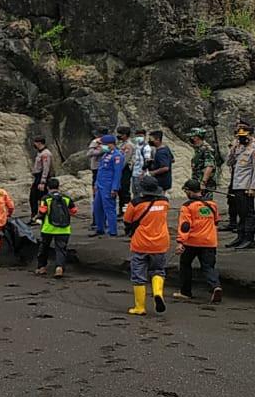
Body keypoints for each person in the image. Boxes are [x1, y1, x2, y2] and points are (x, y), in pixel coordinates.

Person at [122, 175, 170, 316]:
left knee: (138, 275)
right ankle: (157, 293)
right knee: (158, 271)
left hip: (141, 243)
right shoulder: (164, 202)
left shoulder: (135, 203)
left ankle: (140, 307)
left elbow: (127, 220)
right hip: (160, 242)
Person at [174, 179, 223, 304]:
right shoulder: (212, 205)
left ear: (189, 191)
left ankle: (185, 292)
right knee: (208, 267)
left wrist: (180, 242)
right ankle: (215, 286)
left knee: (185, 265)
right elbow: (216, 221)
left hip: (192, 242)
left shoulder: (187, 206)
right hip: (209, 241)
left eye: (186, 191)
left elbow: (185, 226)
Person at [228, 127, 255, 249]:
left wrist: (253, 187)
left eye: (243, 136)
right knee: (240, 212)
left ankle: (249, 238)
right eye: (239, 136)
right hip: (237, 185)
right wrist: (232, 150)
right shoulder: (239, 148)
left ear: (250, 135)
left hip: (246, 186)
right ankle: (240, 236)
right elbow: (229, 163)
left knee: (248, 213)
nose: (241, 138)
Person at [34, 177, 77, 278]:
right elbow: (74, 210)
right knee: (61, 249)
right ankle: (59, 268)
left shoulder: (46, 198)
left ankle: (42, 267)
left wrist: (36, 218)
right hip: (64, 229)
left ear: (48, 187)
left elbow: (42, 211)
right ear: (58, 187)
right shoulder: (66, 198)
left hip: (48, 228)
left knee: (44, 248)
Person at [91, 134, 125, 237]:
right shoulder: (105, 154)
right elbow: (100, 170)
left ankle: (112, 230)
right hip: (100, 185)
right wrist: (96, 184)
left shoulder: (117, 156)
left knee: (109, 208)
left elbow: (117, 173)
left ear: (110, 144)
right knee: (97, 207)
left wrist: (114, 188)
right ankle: (100, 228)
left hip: (108, 185)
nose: (100, 146)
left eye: (102, 144)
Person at [187, 128, 221, 196]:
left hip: (204, 185)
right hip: (197, 182)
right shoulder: (199, 149)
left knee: (205, 203)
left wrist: (203, 183)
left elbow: (209, 166)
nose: (191, 138)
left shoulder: (206, 149)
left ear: (196, 137)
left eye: (192, 136)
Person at [29, 136, 54, 222]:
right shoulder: (40, 153)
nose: (34, 144)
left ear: (39, 143)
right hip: (38, 177)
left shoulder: (45, 154)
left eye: (35, 142)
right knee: (34, 198)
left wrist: (42, 181)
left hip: (42, 177)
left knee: (40, 198)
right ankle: (36, 216)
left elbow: (46, 168)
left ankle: (40, 217)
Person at [146, 130, 174, 194]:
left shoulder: (161, 152)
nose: (150, 141)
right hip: (165, 181)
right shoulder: (166, 148)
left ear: (157, 139)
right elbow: (172, 160)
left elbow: (165, 168)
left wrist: (153, 172)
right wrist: (155, 161)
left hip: (161, 182)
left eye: (151, 139)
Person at [116, 126, 135, 216]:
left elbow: (125, 160)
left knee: (125, 192)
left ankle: (126, 212)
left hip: (125, 169)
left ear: (125, 135)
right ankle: (121, 211)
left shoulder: (128, 145)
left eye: (120, 134)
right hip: (120, 169)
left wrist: (118, 169)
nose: (118, 135)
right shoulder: (121, 144)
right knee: (120, 191)